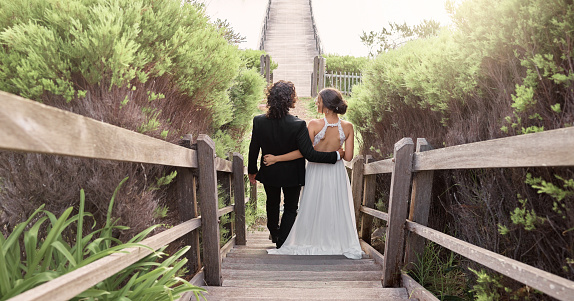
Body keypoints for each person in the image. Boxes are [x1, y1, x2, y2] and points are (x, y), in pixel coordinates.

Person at [264, 87, 364, 259]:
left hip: (315, 171)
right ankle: (333, 240)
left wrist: (276, 159)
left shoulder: (313, 125)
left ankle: (312, 238)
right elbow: (348, 157)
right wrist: (337, 153)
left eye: (318, 100)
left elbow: (304, 153)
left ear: (325, 104)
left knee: (312, 205)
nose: (316, 103)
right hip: (336, 172)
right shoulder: (347, 127)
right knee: (334, 206)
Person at [248, 81, 343, 249]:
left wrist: (252, 170)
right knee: (291, 207)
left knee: (272, 203)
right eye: (294, 95)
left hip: (270, 171)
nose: (296, 98)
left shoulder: (259, 121)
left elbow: (253, 147)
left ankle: (275, 232)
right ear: (288, 100)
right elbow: (309, 154)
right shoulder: (298, 124)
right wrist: (336, 155)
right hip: (293, 174)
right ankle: (282, 241)